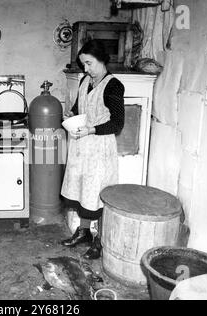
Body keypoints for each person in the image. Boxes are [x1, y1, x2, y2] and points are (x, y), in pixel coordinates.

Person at [60, 39, 125, 259]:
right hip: (82, 146)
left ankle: (100, 241)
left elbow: (117, 124)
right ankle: (84, 232)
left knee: (98, 193)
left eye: (89, 64)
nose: (86, 69)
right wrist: (70, 114)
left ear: (101, 59)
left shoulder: (113, 85)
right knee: (82, 190)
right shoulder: (86, 81)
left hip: (100, 146)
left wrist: (91, 130)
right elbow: (80, 107)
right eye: (83, 65)